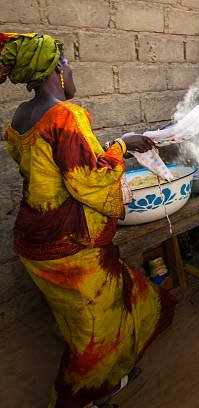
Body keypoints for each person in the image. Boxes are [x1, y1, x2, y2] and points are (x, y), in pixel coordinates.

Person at [1, 33, 174, 408]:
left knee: (114, 308)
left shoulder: (19, 118)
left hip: (34, 242)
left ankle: (110, 377)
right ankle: (76, 398)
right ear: (58, 71)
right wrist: (123, 146)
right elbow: (90, 181)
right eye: (69, 64)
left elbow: (49, 171)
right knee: (95, 338)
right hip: (68, 246)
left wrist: (109, 148)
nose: (72, 70)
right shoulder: (65, 114)